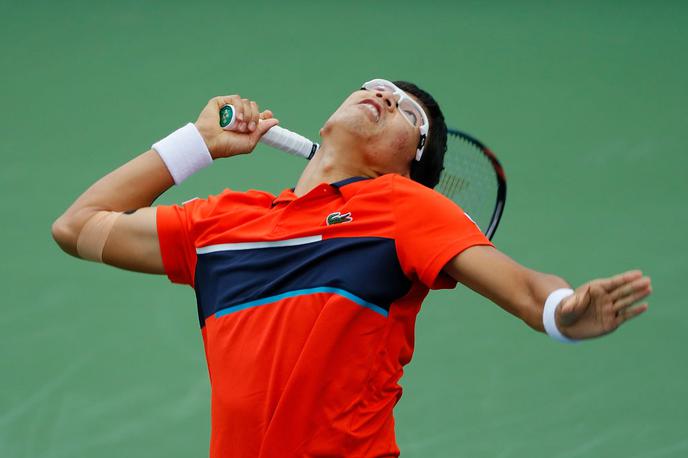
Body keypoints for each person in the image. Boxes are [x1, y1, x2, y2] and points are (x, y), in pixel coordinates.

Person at [51, 79, 652, 458]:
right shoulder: (222, 223)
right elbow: (78, 227)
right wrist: (197, 143)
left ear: (408, 168)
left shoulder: (405, 208)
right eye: (382, 87)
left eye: (407, 116)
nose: (388, 97)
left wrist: (563, 311)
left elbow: (523, 287)